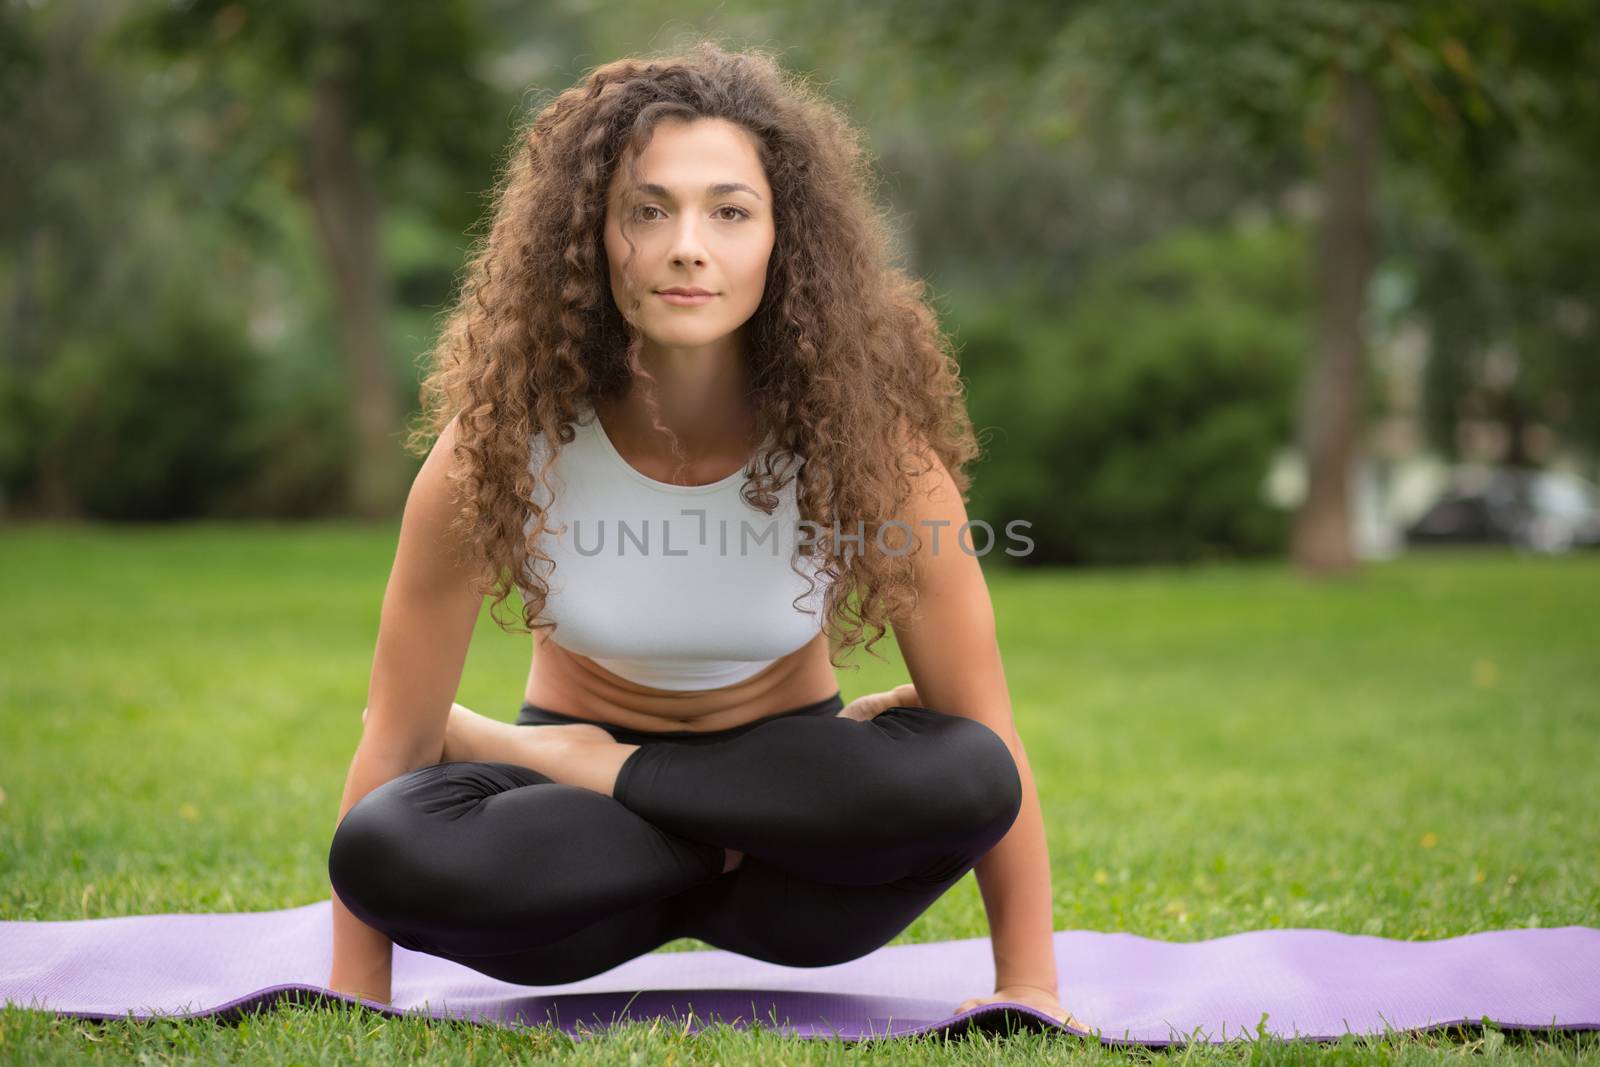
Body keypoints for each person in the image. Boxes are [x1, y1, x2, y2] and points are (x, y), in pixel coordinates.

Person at [324, 41, 1085, 1032]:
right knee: (388, 842)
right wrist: (352, 997)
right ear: (591, 235)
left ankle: (594, 765)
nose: (689, 245)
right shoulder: (499, 446)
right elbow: (393, 740)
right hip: (583, 866)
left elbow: (991, 743)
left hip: (791, 849)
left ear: (783, 239)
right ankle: (601, 783)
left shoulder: (872, 449)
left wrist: (1030, 983)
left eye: (729, 211)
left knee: (969, 769)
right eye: (648, 209)